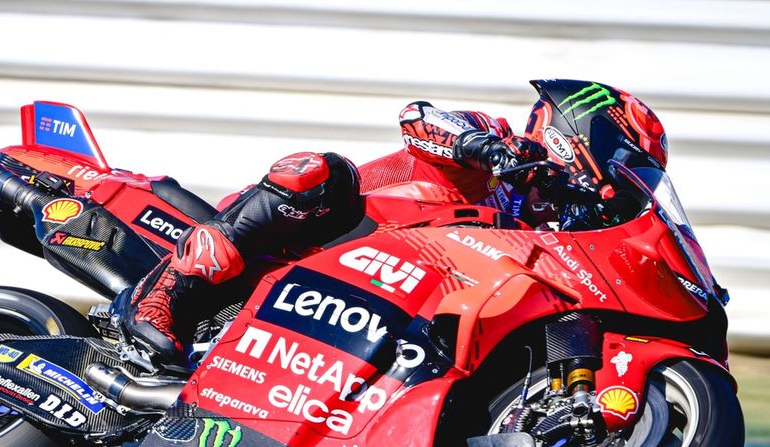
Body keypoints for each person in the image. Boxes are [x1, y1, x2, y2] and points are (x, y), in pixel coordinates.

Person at [112, 79, 667, 370]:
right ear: (584, 131)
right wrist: (483, 149)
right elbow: (417, 116)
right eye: (626, 161)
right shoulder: (495, 143)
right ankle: (164, 296)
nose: (627, 181)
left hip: (379, 305)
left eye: (641, 174)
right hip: (324, 234)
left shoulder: (557, 229)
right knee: (319, 172)